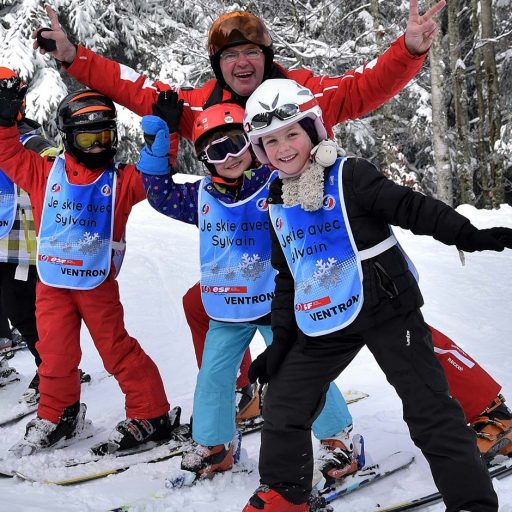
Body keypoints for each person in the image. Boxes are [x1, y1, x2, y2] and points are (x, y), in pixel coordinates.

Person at [32, 1, 445, 413]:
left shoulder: (298, 93)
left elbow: (362, 87)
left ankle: (481, 406)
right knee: (201, 305)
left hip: (312, 238)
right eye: (231, 54)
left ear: (267, 56)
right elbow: (133, 87)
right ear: (217, 63)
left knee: (386, 315)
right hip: (253, 248)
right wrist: (73, 56)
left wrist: (407, 50)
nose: (242, 62)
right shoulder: (201, 106)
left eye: (251, 52)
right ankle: (245, 391)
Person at [239, 78, 512, 512]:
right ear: (260, 150)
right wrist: (282, 342)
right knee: (285, 402)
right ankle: (284, 494)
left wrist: (469, 235)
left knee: (429, 411)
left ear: (313, 132)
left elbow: (412, 208)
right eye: (270, 141)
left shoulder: (350, 176)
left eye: (292, 133)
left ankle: (472, 504)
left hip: (388, 309)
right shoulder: (277, 201)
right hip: (323, 317)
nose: (283, 147)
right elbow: (288, 275)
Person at [138, 95, 353, 477]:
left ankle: (338, 439)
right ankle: (215, 444)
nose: (229, 157)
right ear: (204, 159)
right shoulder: (201, 196)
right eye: (216, 151)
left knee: (299, 371)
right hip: (227, 309)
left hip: (279, 304)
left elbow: (311, 174)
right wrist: (161, 149)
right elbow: (161, 196)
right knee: (214, 375)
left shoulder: (275, 181)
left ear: (251, 141)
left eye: (235, 144)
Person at [0, 79, 179, 455]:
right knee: (54, 351)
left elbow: (157, 174)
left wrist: (167, 135)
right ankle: (59, 412)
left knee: (116, 350)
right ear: (68, 139)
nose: (98, 145)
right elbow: (8, 154)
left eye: (105, 136)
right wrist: (4, 121)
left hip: (96, 283)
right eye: (87, 139)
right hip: (51, 280)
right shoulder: (45, 172)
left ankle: (152, 413)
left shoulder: (121, 180)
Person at [0, 66, 91, 405]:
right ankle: (53, 366)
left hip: (26, 245)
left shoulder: (27, 138)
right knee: (14, 309)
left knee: (27, 311)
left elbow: (54, 162)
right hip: (5, 243)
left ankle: (53, 368)